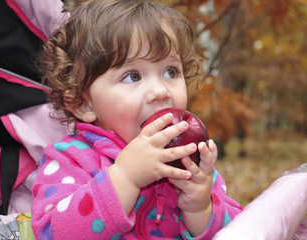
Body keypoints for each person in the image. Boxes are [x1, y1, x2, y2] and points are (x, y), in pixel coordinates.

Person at [31, 0, 243, 239]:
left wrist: (202, 209)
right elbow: (50, 232)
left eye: (170, 72)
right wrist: (124, 178)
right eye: (132, 76)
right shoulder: (72, 160)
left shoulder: (191, 164)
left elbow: (244, 230)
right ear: (83, 103)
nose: (161, 91)